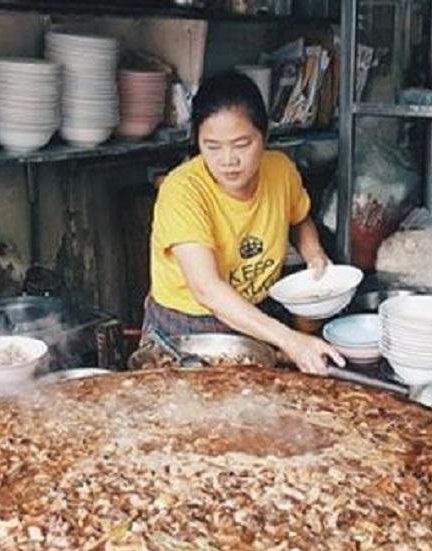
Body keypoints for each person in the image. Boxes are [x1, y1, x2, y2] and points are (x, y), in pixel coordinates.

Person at [143, 71, 344, 374]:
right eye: (212, 146)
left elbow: (298, 219)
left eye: (241, 144)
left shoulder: (281, 171)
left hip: (253, 314)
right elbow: (207, 289)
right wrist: (290, 339)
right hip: (187, 326)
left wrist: (315, 257)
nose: (228, 160)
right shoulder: (182, 190)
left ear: (264, 137)